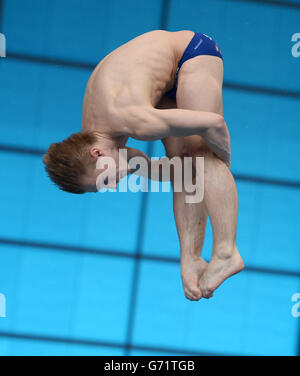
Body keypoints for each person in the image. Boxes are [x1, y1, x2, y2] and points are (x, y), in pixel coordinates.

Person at [44, 30, 244, 300]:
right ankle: (191, 258)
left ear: (95, 153)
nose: (113, 185)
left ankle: (226, 251)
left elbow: (215, 124)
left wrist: (221, 164)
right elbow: (174, 171)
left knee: (201, 152)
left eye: (104, 180)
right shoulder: (95, 140)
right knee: (187, 165)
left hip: (189, 55)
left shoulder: (133, 121)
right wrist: (145, 168)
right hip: (155, 86)